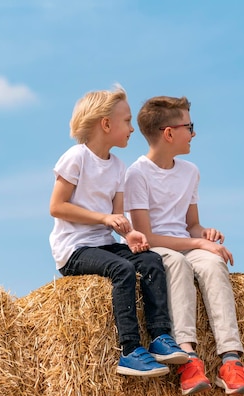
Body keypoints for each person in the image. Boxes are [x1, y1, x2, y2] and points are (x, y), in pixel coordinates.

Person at [48, 87, 188, 378]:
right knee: (122, 269)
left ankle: (160, 337)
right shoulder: (77, 157)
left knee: (150, 260)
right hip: (74, 249)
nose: (132, 128)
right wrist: (104, 218)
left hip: (103, 243)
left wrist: (130, 235)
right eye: (126, 121)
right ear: (106, 124)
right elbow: (57, 206)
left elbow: (118, 217)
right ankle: (129, 351)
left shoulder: (119, 167)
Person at [124, 95, 244, 396]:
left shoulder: (190, 172)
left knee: (214, 263)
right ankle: (188, 358)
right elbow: (146, 236)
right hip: (153, 249)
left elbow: (192, 223)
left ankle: (231, 361)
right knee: (179, 265)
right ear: (169, 133)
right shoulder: (137, 174)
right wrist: (195, 241)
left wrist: (204, 235)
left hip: (184, 241)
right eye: (189, 127)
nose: (193, 134)